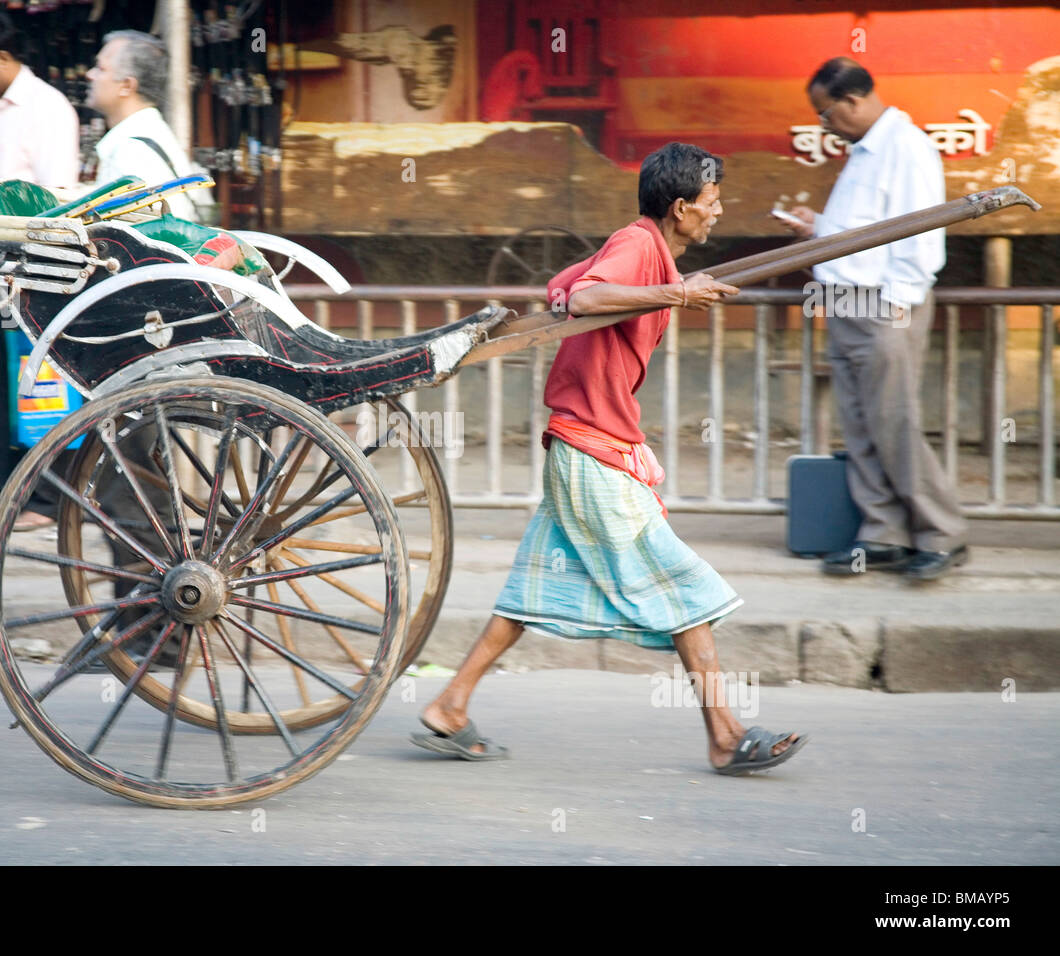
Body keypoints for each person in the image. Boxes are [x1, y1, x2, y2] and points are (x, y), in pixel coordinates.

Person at [411, 143, 808, 774]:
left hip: (584, 443)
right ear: (681, 209)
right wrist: (677, 295)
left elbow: (562, 285)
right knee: (681, 584)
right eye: (712, 202)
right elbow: (585, 298)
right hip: (592, 448)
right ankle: (727, 736)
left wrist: (672, 288)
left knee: (531, 590)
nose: (719, 211)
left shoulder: (642, 246)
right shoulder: (640, 246)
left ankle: (450, 705)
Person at [782, 58, 968, 580]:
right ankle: (881, 532)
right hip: (845, 298)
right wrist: (819, 228)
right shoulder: (864, 152)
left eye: (826, 114)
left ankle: (940, 533)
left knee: (894, 422)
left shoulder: (906, 147)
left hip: (882, 303)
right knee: (860, 424)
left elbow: (922, 235)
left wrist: (898, 304)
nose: (825, 126)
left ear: (853, 101)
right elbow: (866, 230)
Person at [0, 8, 81, 531]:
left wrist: (27, 265)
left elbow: (57, 198)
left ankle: (49, 500)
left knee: (40, 384)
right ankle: (6, 491)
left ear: (3, 58)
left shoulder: (48, 109)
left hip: (32, 270)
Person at [85, 30, 215, 224]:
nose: (90, 75)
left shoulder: (132, 151)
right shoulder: (147, 135)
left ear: (127, 86)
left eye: (100, 68)